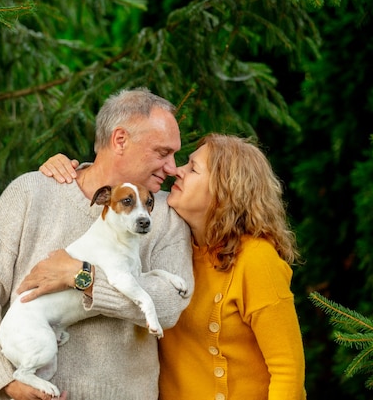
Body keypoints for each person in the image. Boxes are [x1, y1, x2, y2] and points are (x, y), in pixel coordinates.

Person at [0, 87, 194, 400]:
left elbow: (168, 307)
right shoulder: (31, 193)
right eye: (163, 152)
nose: (172, 167)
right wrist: (5, 381)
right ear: (120, 139)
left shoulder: (165, 214)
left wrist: (83, 277)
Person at [43, 133, 307, 399]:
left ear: (224, 189)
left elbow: (288, 370)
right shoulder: (175, 243)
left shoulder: (257, 260)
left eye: (192, 169)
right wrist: (74, 173)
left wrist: (81, 277)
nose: (176, 171)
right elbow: (120, 189)